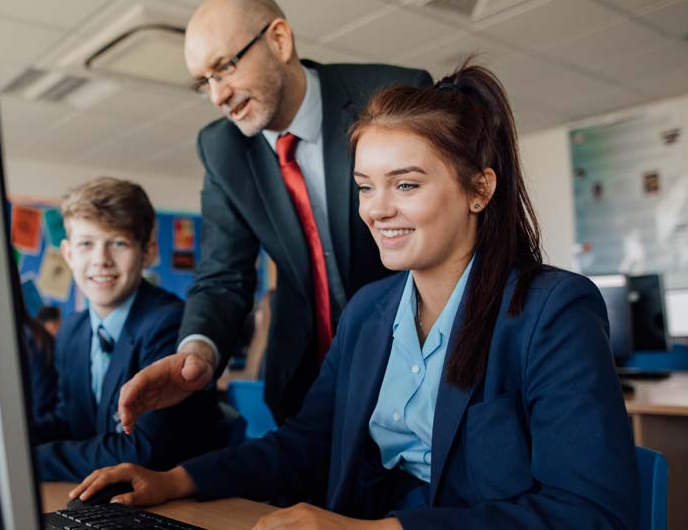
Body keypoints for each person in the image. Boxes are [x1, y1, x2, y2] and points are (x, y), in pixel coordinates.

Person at [70, 63, 638, 529]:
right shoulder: (370, 309)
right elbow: (305, 444)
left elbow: (590, 513)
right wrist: (175, 480)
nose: (376, 208)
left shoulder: (552, 310)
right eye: (366, 186)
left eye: (406, 184)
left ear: (479, 189)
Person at [118, 0, 432, 430]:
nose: (217, 96)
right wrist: (197, 352)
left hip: (412, 370)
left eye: (225, 68)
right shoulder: (222, 147)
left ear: (280, 41)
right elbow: (223, 275)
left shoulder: (390, 96)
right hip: (306, 382)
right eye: (203, 82)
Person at [31, 178, 225, 482]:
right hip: (103, 501)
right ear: (68, 253)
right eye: (86, 244)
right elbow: (69, 421)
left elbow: (142, 450)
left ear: (147, 252)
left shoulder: (170, 323)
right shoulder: (71, 331)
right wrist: (8, 441)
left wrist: (30, 461)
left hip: (179, 506)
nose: (101, 260)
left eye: (118, 243)